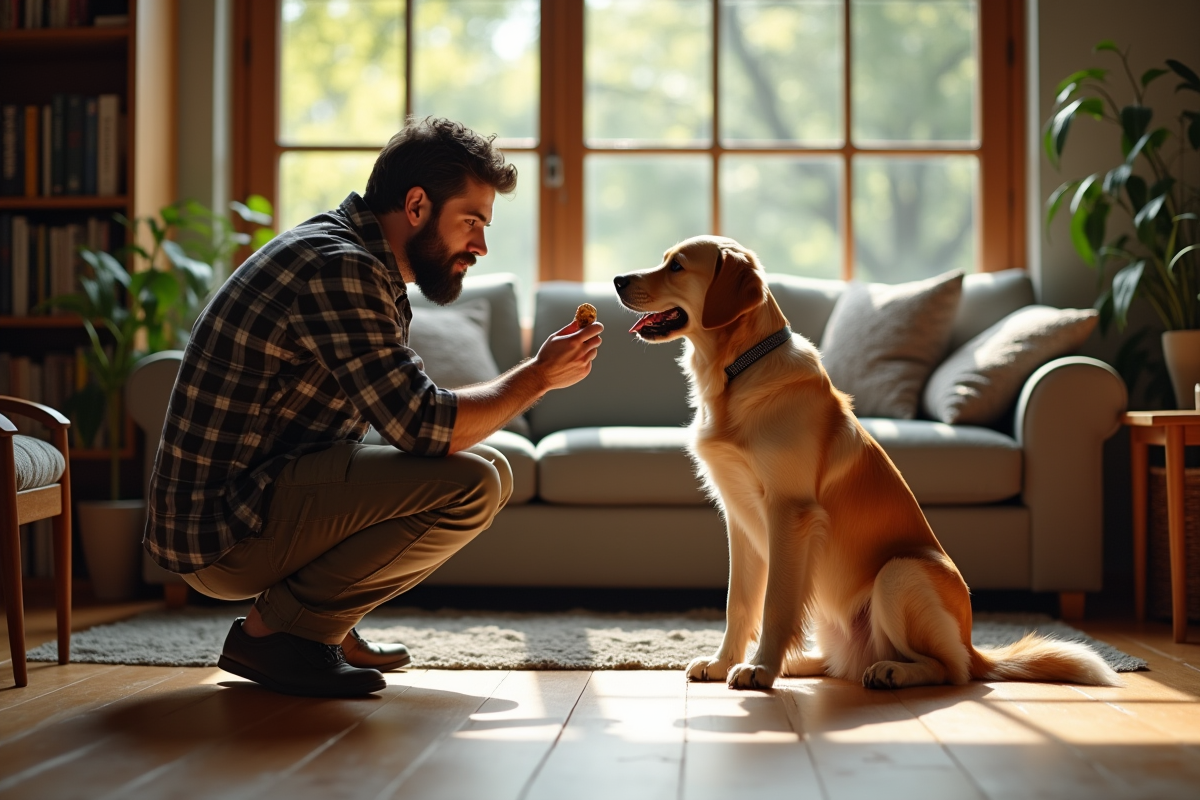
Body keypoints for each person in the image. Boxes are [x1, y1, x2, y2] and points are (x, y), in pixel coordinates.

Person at [144, 117, 603, 697]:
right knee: (473, 484)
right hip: (221, 532)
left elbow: (339, 441)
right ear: (416, 205)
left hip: (241, 506)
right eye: (472, 222)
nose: (481, 246)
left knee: (491, 470)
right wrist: (537, 376)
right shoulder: (342, 267)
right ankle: (278, 634)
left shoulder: (358, 259)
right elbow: (422, 426)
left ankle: (322, 629)